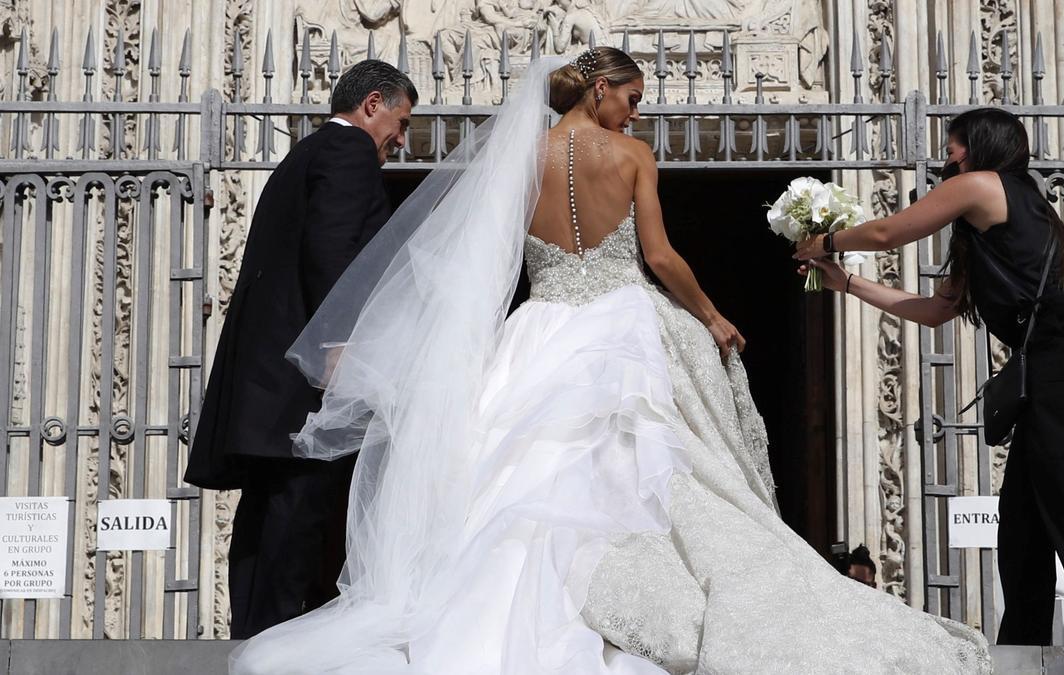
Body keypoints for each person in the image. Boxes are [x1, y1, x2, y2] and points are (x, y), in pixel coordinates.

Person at [231, 49, 990, 673]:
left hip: (539, 328)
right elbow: (658, 255)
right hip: (618, 325)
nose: (638, 112)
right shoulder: (628, 155)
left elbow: (483, 263)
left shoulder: (521, 157)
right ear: (600, 91)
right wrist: (714, 314)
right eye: (632, 97)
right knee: (638, 471)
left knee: (510, 476)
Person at [793, 107, 1064, 648]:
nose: (946, 156)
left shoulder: (985, 186)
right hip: (1057, 359)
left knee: (1059, 482)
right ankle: (1025, 640)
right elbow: (933, 309)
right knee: (1020, 512)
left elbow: (892, 230)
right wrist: (845, 282)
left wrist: (823, 241)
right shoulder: (980, 226)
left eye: (954, 146)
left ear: (980, 147)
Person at [184, 60, 416, 639]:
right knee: (302, 515)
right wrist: (337, 346)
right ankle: (284, 645)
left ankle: (256, 641)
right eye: (401, 121)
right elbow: (331, 249)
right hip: (305, 384)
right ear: (372, 105)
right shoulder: (349, 154)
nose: (402, 138)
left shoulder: (303, 155)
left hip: (269, 382)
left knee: (266, 520)